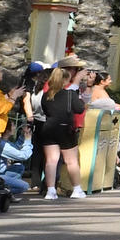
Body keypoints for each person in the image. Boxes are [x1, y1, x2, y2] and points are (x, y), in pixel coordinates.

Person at [27, 60, 95, 200]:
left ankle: (50, 191)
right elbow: (80, 108)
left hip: (49, 128)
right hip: (65, 128)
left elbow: (45, 109)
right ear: (64, 80)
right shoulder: (69, 94)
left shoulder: (47, 95)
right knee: (71, 161)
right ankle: (77, 188)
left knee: (51, 160)